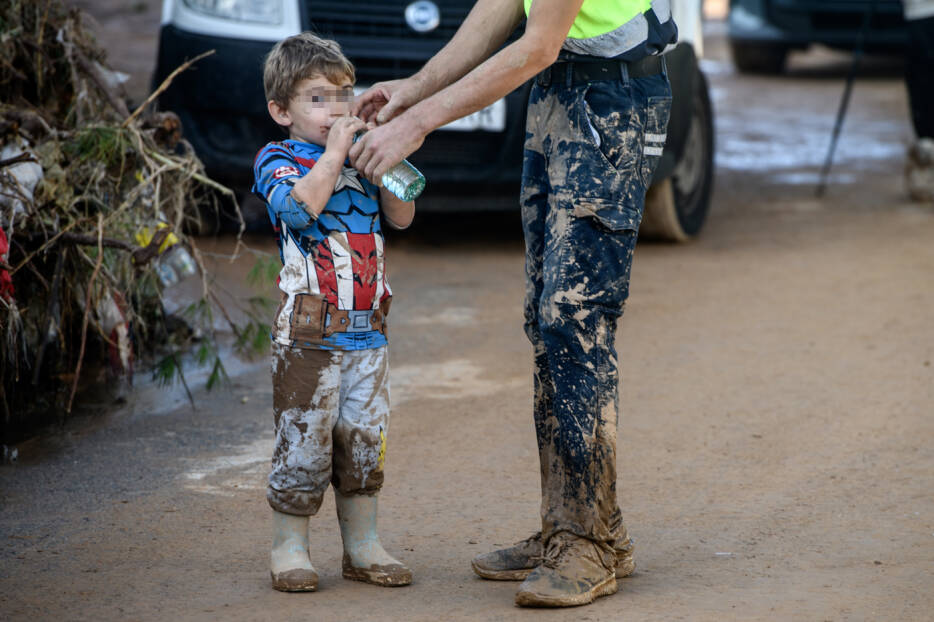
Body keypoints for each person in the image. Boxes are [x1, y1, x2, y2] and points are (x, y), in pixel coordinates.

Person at [351, 0, 676, 609]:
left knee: (573, 319)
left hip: (609, 101)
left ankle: (586, 542)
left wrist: (417, 122)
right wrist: (415, 88)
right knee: (546, 321)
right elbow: (502, 7)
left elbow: (536, 45)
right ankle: (577, 527)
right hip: (558, 96)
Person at [252, 32, 415, 592]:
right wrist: (335, 155)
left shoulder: (362, 153)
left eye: (343, 95)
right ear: (282, 112)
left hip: (369, 334)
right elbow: (299, 212)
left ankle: (363, 547)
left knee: (364, 442)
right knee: (303, 441)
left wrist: (389, 151)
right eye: (318, 99)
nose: (336, 110)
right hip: (308, 335)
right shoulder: (277, 159)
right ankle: (289, 548)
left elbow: (403, 215)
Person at [902, 0, 934, 202]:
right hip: (918, 14)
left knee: (923, 88)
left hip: (920, 15)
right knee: (922, 86)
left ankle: (926, 157)